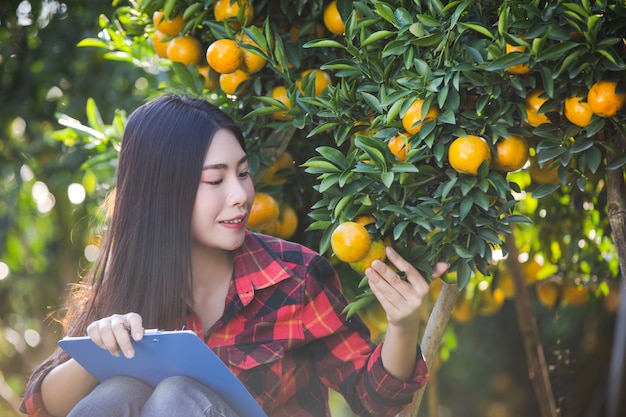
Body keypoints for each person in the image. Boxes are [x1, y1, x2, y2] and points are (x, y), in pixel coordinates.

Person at [20, 93, 448, 417]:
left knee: (176, 395)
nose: (240, 195)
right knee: (116, 393)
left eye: (242, 173)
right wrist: (102, 351)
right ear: (163, 193)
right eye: (215, 180)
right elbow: (42, 404)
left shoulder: (293, 278)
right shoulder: (129, 280)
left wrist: (402, 324)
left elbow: (374, 398)